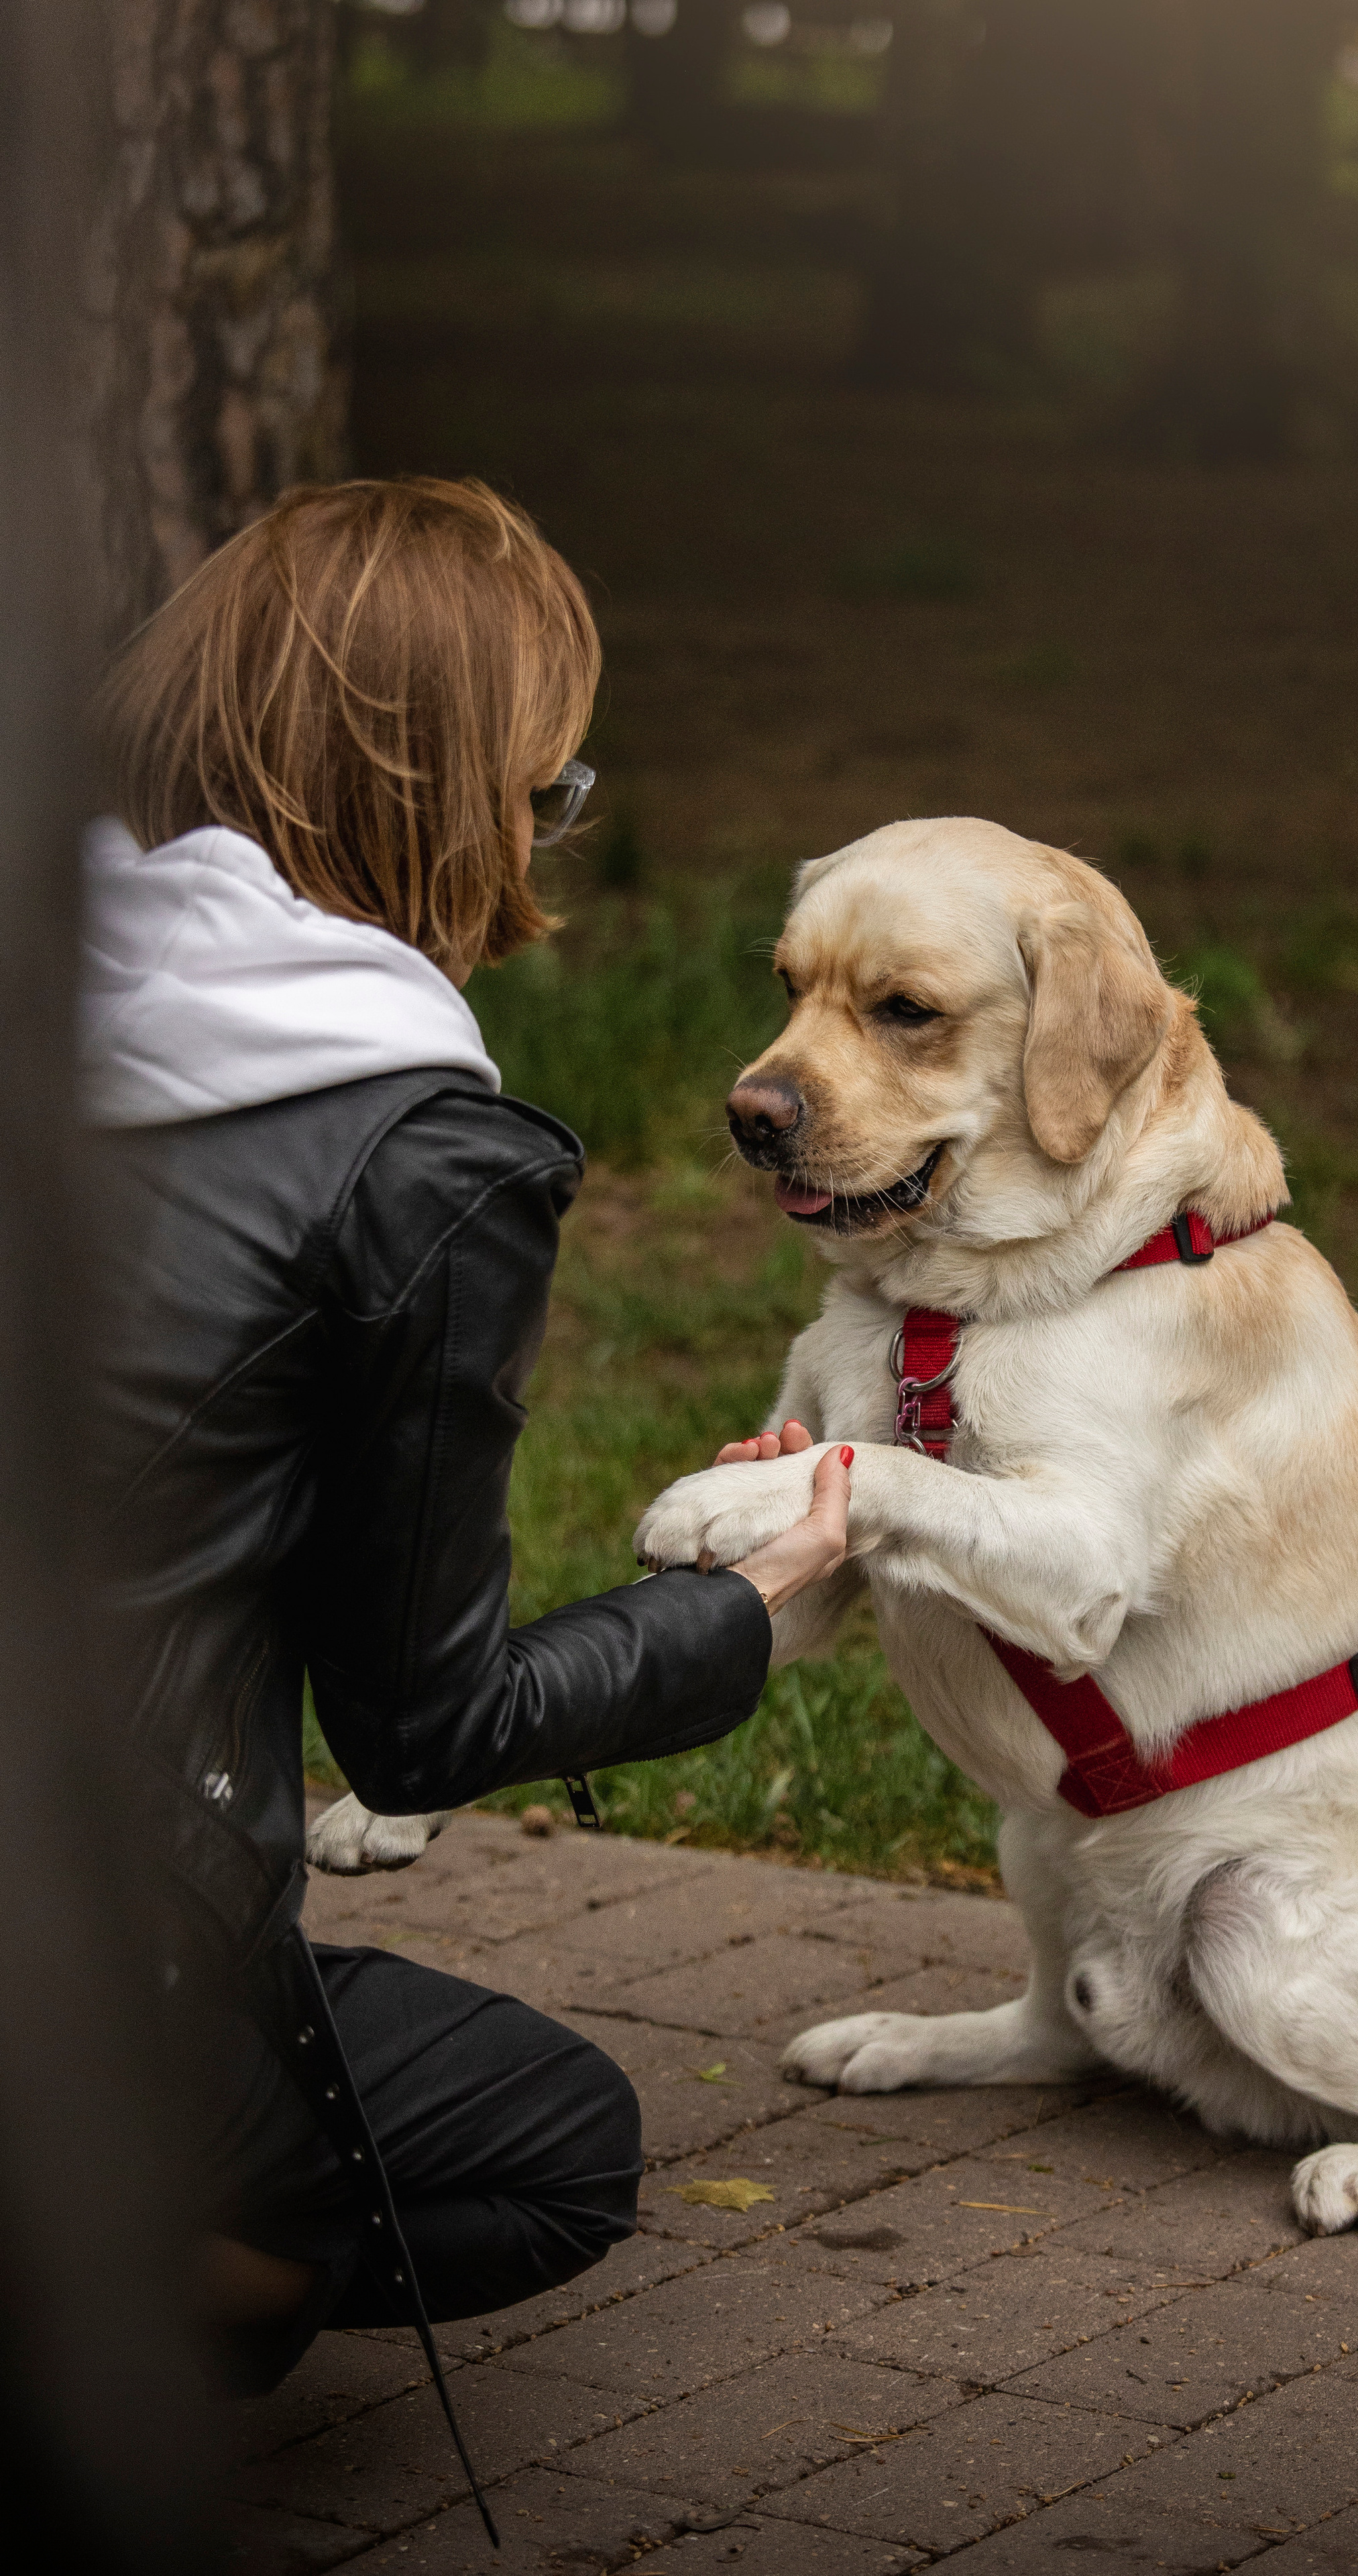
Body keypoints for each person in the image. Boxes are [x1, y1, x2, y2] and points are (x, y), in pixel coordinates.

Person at [84, 476, 849, 2428]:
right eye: (542, 792)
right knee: (547, 2147)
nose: (541, 840)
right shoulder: (415, 1152)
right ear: (437, 801)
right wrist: (743, 1611)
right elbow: (420, 1725)